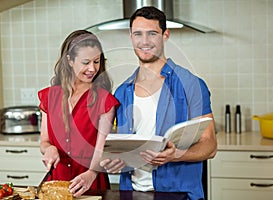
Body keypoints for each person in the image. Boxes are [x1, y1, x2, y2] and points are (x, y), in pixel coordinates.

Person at [100, 6, 217, 200]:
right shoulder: (122, 92)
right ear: (131, 37)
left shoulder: (191, 85)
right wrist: (115, 161)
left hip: (179, 195)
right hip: (132, 193)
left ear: (165, 35)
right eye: (138, 34)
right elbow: (123, 146)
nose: (144, 41)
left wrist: (175, 154)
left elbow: (210, 146)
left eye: (152, 33)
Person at [38, 30, 119, 197]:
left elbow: (101, 149)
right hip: (56, 185)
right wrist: (49, 149)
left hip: (91, 184)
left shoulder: (105, 100)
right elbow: (44, 141)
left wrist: (91, 173)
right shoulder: (49, 97)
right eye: (86, 62)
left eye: (97, 62)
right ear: (69, 60)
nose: (92, 68)